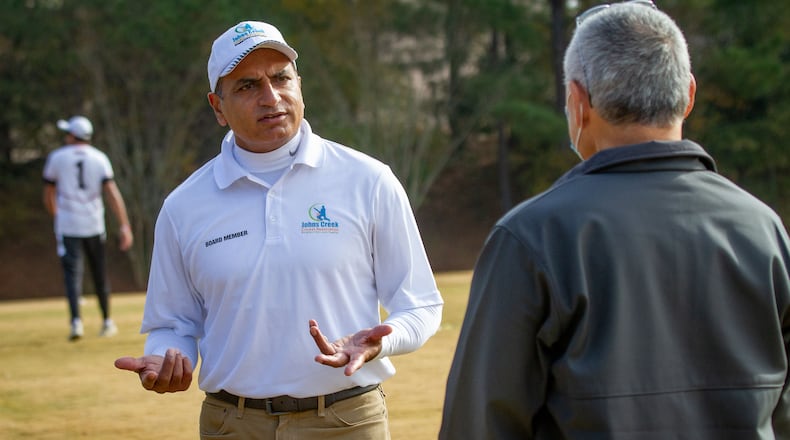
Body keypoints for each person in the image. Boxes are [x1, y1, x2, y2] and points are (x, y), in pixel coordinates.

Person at [440, 1, 790, 438]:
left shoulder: (533, 236)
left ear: (578, 102)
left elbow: (480, 424)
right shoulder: (763, 228)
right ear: (689, 95)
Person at [114, 20, 443, 439]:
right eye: (248, 86)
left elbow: (421, 305)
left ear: (299, 84)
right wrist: (164, 357)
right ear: (217, 106)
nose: (271, 97)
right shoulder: (183, 206)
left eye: (281, 77)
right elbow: (172, 323)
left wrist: (382, 340)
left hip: (347, 421)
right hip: (231, 424)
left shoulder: (369, 181)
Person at [43, 115, 134, 341]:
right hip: (94, 223)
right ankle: (107, 321)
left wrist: (57, 216)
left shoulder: (57, 158)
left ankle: (76, 323)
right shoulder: (100, 158)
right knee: (99, 274)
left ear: (73, 136)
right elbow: (112, 193)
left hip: (68, 225)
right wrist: (124, 225)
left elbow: (48, 193)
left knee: (72, 275)